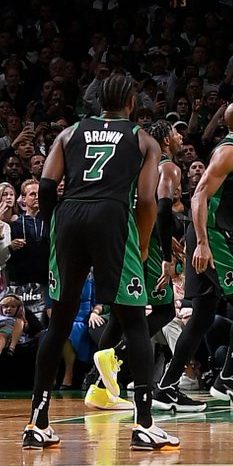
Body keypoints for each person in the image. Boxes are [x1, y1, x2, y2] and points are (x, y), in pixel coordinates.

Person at [22, 74, 179, 451]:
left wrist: (52, 223)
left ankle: (37, 422)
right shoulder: (142, 139)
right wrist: (141, 244)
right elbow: (145, 200)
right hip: (112, 217)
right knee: (135, 322)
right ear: (131, 104)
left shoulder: (69, 133)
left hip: (70, 216)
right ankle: (143, 424)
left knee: (59, 321)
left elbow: (45, 185)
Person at [153, 101, 233, 410]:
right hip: (212, 234)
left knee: (202, 316)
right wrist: (202, 242)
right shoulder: (228, 151)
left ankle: (166, 386)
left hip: (217, 230)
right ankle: (228, 378)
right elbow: (199, 195)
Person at [85, 118, 184, 411]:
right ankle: (114, 357)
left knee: (120, 313)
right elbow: (163, 209)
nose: (180, 137)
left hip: (122, 234)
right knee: (164, 309)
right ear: (165, 138)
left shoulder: (138, 165)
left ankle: (99, 385)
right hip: (148, 241)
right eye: (176, 132)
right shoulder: (167, 166)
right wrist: (167, 255)